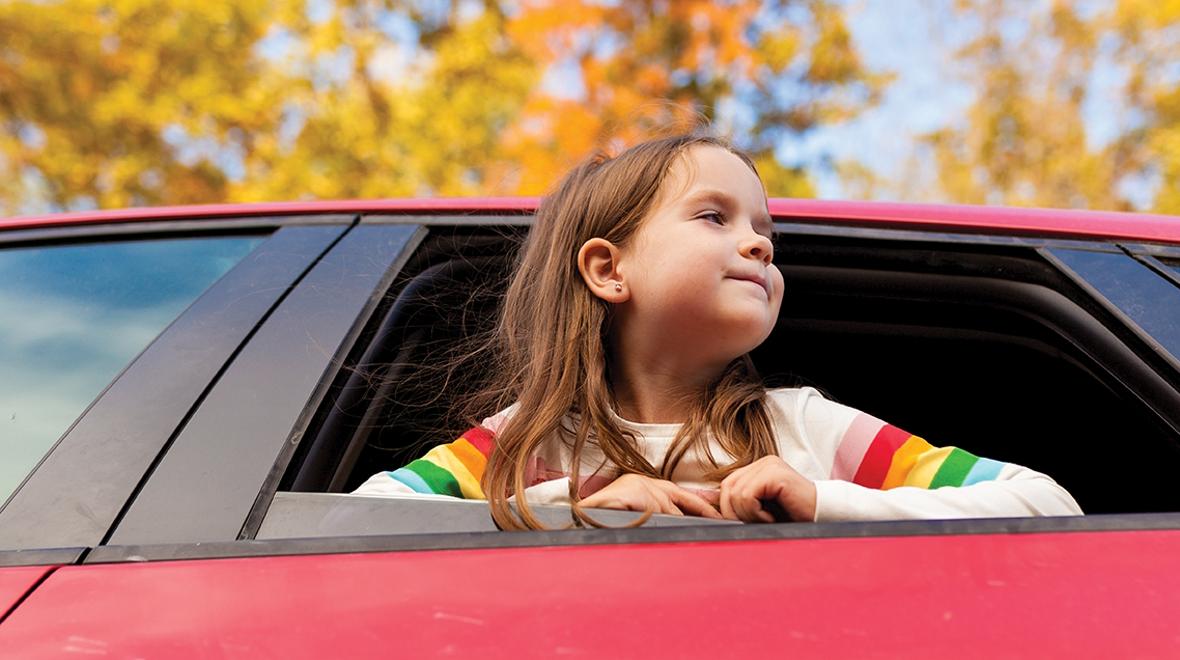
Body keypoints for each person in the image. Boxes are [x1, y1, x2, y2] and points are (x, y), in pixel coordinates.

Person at [353, 132, 1082, 529]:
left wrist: (819, 500)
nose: (760, 245)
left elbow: (1044, 502)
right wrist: (571, 513)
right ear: (608, 269)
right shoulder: (523, 444)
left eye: (766, 231)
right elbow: (357, 521)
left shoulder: (814, 432)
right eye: (715, 217)